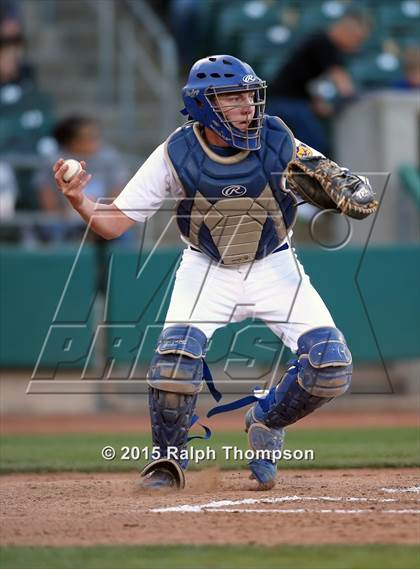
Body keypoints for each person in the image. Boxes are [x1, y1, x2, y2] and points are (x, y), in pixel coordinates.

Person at [53, 55, 375, 490]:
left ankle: (266, 419)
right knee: (174, 365)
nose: (248, 105)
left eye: (250, 94)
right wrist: (79, 199)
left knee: (330, 366)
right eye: (234, 97)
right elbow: (112, 224)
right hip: (205, 268)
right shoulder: (176, 152)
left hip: (274, 264)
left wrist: (346, 188)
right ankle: (167, 463)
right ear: (205, 105)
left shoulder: (278, 138)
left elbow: (346, 185)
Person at [268, 9, 371, 154]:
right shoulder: (325, 42)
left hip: (290, 100)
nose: (357, 45)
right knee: (315, 148)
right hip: (286, 102)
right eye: (357, 38)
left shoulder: (321, 41)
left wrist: (316, 102)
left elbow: (305, 77)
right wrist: (355, 97)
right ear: (346, 31)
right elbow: (341, 81)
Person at [37, 115, 130, 242]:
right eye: (89, 136)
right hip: (65, 221)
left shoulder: (110, 159)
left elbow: (116, 196)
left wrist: (93, 215)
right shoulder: (55, 162)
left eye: (96, 136)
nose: (96, 140)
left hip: (101, 216)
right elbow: (49, 202)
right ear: (72, 141)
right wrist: (73, 214)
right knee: (52, 227)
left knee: (123, 231)